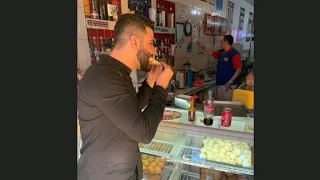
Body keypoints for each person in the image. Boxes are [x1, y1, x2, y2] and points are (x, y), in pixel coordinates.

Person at [77, 14, 173, 180]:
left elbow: (129, 111)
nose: (154, 51)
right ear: (135, 41)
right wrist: (161, 88)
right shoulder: (105, 77)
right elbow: (144, 132)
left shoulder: (117, 73)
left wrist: (150, 83)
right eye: (151, 43)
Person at [197, 35, 242, 101]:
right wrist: (202, 46)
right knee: (219, 104)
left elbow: (239, 69)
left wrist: (230, 81)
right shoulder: (221, 52)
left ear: (225, 41)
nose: (220, 42)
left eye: (221, 40)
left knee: (227, 105)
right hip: (219, 83)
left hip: (228, 85)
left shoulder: (235, 54)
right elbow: (212, 53)